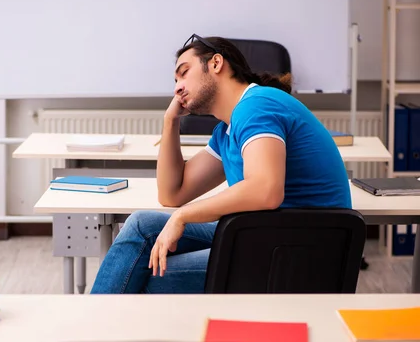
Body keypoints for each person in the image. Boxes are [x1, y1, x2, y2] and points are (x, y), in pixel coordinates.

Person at [90, 34, 352, 294]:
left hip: (300, 248)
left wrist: (183, 216)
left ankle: (94, 329)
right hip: (264, 233)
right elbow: (172, 193)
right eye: (175, 80)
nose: (177, 87)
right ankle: (96, 328)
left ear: (216, 63)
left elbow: (265, 190)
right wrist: (171, 121)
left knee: (148, 275)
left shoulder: (256, 106)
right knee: (141, 225)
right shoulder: (226, 129)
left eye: (184, 72)